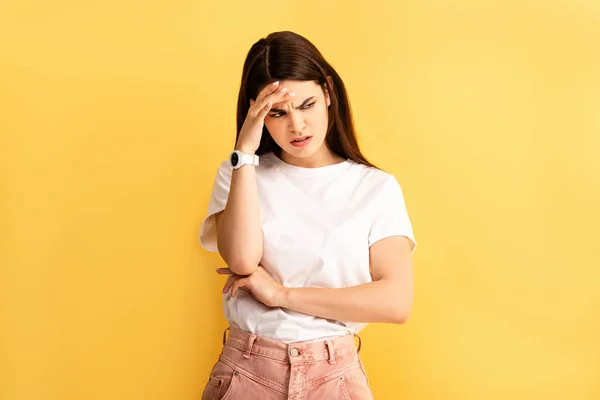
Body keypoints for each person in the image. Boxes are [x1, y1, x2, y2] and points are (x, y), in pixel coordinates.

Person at [198, 31, 417, 400]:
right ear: (257, 113)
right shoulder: (240, 174)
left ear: (328, 93)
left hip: (334, 377)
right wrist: (244, 152)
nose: (296, 127)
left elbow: (395, 302)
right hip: (248, 370)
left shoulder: (374, 187)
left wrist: (282, 294)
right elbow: (241, 258)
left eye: (307, 105)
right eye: (277, 113)